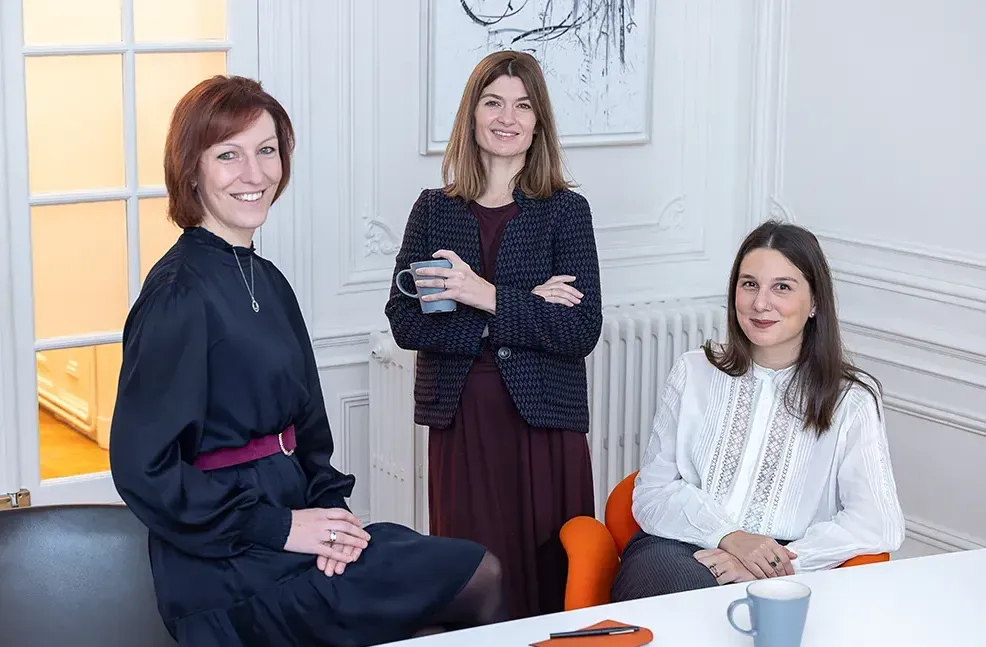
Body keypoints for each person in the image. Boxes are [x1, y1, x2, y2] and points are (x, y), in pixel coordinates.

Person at [108, 75, 505, 646]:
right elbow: (143, 469)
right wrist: (283, 527)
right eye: (228, 155)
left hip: (297, 525)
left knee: (443, 605)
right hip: (225, 563)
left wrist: (332, 519)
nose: (254, 174)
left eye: (266, 150)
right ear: (192, 170)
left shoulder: (268, 280)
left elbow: (310, 433)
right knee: (478, 575)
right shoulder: (178, 294)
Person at [383, 50, 601, 620]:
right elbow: (405, 321)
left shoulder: (566, 212)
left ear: (538, 121)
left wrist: (483, 294)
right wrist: (522, 305)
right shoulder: (433, 211)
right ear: (472, 114)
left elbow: (580, 329)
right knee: (474, 575)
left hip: (545, 424)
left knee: (551, 579)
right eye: (494, 103)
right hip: (462, 424)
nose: (508, 118)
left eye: (523, 106)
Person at [611, 220, 906, 601]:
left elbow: (877, 522)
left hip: (790, 556)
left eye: (782, 287)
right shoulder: (693, 371)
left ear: (815, 302)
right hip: (681, 545)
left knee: (755, 605)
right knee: (683, 596)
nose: (760, 303)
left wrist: (770, 562)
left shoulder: (851, 398)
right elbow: (652, 492)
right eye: (749, 284)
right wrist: (730, 537)